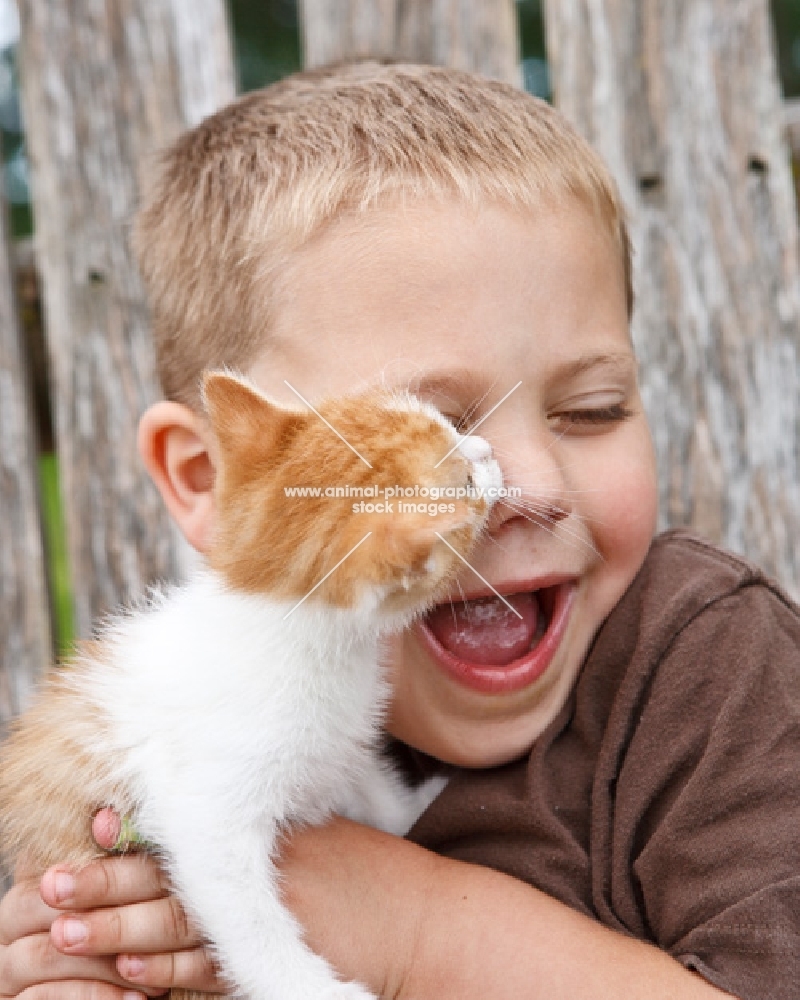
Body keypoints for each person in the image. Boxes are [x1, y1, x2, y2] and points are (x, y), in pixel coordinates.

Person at [1, 62, 798, 1000]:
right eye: (428, 440)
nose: (525, 487)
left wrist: (417, 935)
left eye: (590, 409)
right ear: (218, 479)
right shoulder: (213, 724)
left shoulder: (705, 668)